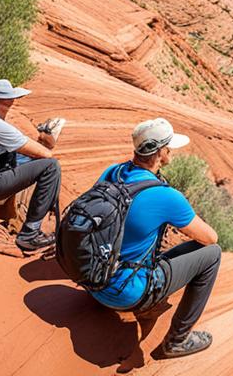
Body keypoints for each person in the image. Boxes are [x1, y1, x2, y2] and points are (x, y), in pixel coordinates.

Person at [90, 118, 220, 359]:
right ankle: (178, 340)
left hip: (93, 279)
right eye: (168, 146)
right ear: (161, 152)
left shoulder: (113, 172)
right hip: (126, 294)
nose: (171, 151)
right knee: (212, 255)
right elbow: (210, 238)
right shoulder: (165, 195)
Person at [0, 79, 62, 253]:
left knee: (17, 155)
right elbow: (47, 156)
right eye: (8, 101)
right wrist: (44, 146)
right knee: (51, 166)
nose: (12, 104)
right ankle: (30, 234)